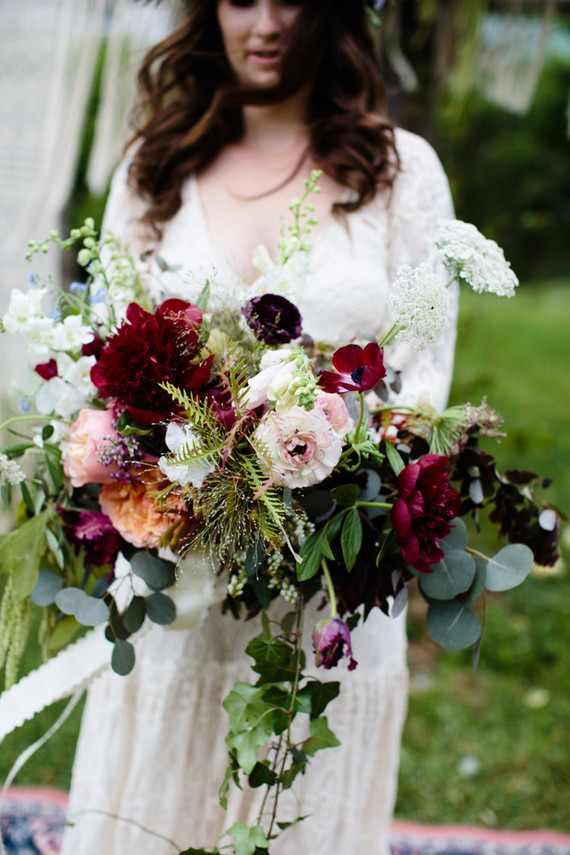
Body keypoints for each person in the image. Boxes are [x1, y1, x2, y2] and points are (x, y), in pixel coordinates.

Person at [60, 1, 457, 853]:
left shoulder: (399, 172)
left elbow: (423, 389)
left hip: (325, 590)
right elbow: (104, 354)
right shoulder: (155, 167)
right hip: (176, 586)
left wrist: (317, 469)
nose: (267, 22)